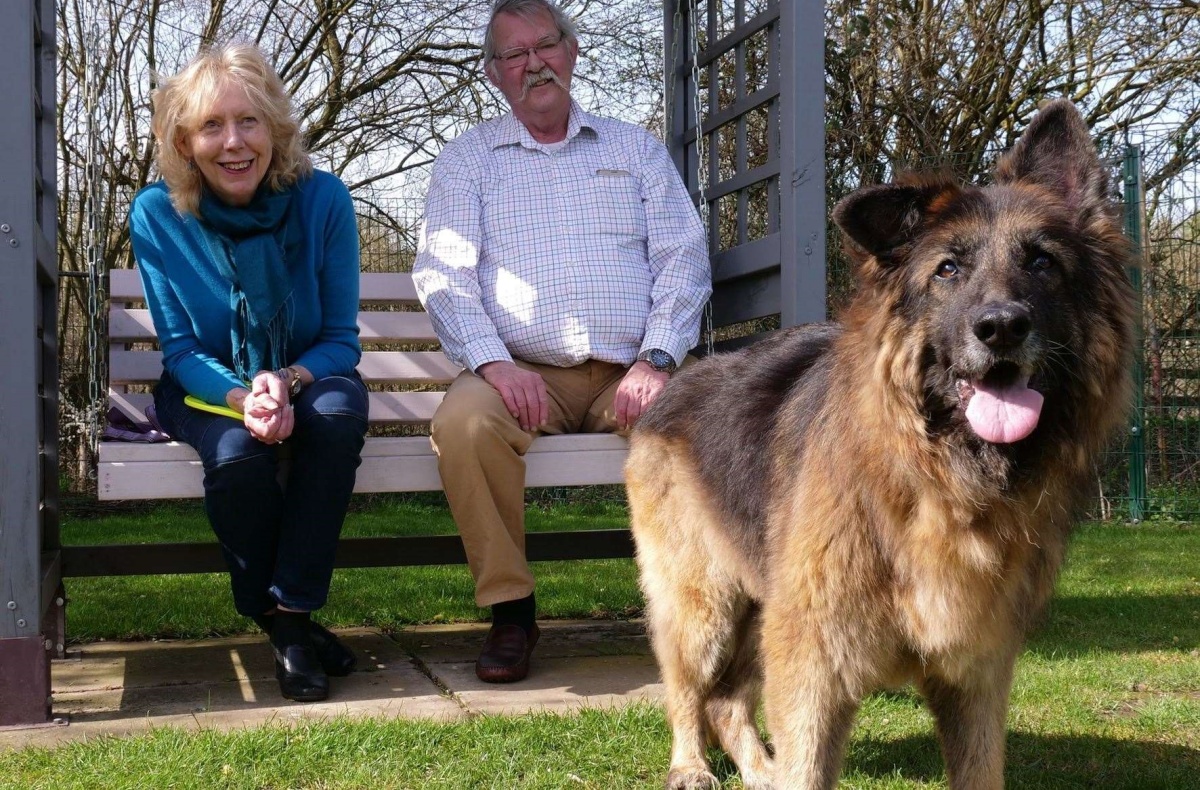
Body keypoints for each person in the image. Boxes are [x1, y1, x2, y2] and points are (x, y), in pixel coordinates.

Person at [413, 0, 711, 684]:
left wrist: (659, 358)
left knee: (703, 418)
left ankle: (701, 607)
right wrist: (492, 362)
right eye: (514, 55)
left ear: (571, 52)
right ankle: (511, 612)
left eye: (544, 45)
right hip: (518, 373)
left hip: (631, 372)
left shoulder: (633, 148)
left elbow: (683, 258)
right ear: (494, 74)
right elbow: (444, 272)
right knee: (462, 423)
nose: (533, 64)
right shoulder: (468, 160)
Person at [128, 43, 368, 702]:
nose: (233, 142)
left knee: (337, 418)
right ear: (184, 140)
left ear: (275, 129)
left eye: (249, 122)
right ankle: (286, 629)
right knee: (236, 457)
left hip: (309, 374)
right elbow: (178, 350)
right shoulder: (157, 213)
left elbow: (341, 342)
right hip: (208, 384)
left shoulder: (324, 200)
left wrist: (286, 381)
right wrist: (243, 396)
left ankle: (290, 613)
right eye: (211, 125)